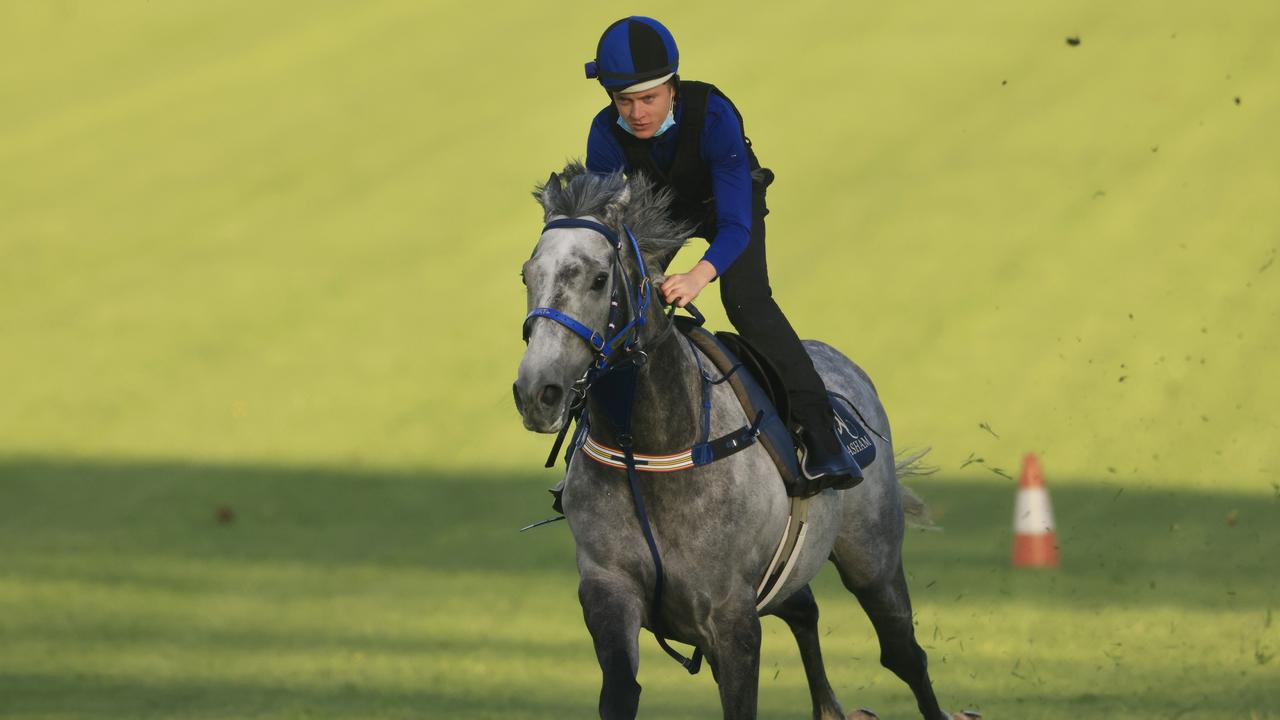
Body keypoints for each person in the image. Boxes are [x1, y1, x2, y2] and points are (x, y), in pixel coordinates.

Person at [582, 16, 859, 495]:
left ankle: (821, 432)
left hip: (727, 204)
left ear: (673, 86)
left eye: (649, 98)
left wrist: (697, 276)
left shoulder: (714, 116)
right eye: (623, 101)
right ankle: (590, 439)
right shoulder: (604, 133)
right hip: (660, 211)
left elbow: (734, 226)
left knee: (747, 301)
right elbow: (609, 228)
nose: (637, 113)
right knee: (614, 303)